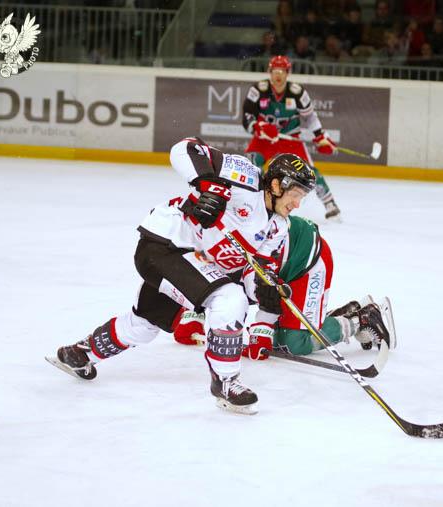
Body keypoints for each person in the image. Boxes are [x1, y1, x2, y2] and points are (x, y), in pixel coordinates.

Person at [46, 139, 316, 416]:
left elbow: (254, 270)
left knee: (145, 324)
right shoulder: (246, 176)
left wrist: (265, 288)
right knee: (229, 297)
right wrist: (209, 185)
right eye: (295, 194)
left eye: (302, 197)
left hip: (192, 266)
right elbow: (186, 148)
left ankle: (79, 353)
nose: (297, 204)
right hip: (165, 244)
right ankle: (225, 382)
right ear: (276, 185)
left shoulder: (278, 227)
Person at [174, 215, 396, 357]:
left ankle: (361, 319)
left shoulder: (237, 255)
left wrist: (262, 329)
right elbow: (198, 282)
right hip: (280, 264)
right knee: (278, 335)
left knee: (292, 343)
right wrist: (193, 314)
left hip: (307, 260)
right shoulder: (199, 244)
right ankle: (330, 318)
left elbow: (266, 290)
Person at [242, 55, 342, 220]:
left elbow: (310, 117)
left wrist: (320, 136)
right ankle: (248, 201)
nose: (278, 75)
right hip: (264, 139)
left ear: (288, 73)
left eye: (282, 71)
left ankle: (329, 203)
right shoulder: (258, 90)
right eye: (275, 71)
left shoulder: (297, 92)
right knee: (249, 166)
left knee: (308, 171)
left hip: (290, 139)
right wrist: (259, 127)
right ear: (269, 72)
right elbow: (247, 117)